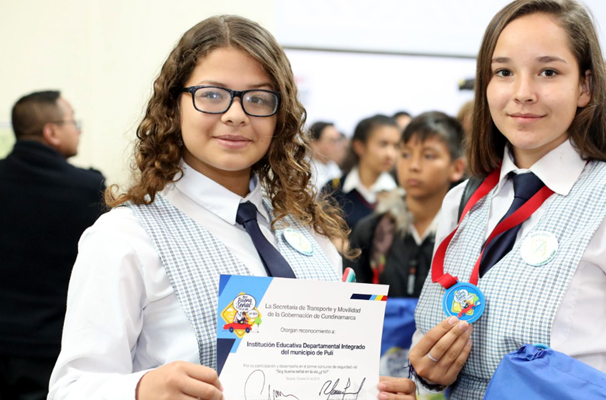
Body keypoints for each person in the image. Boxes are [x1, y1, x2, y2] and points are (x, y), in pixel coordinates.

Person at [47, 15, 414, 400]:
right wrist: (140, 390)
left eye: (258, 98)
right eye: (211, 94)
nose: (236, 114)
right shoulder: (125, 237)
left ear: (279, 115)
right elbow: (71, 388)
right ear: (175, 106)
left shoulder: (310, 231)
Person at [408, 1, 606, 399]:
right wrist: (427, 382)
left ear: (585, 87)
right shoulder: (461, 202)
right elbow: (426, 363)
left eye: (548, 72)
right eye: (504, 72)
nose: (523, 93)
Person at [0, 90, 105, 400]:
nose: (79, 129)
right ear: (52, 131)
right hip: (50, 349)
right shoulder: (88, 189)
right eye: (74, 121)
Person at [347, 111, 466, 297]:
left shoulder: (467, 232)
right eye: (405, 154)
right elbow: (353, 304)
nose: (413, 166)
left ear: (457, 168)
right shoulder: (372, 231)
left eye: (428, 156)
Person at [323, 114, 400, 230]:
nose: (390, 154)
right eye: (383, 144)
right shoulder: (333, 189)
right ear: (359, 146)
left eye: (396, 146)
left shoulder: (401, 194)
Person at [308, 121, 342, 192]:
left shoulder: (334, 168)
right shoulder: (304, 170)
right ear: (314, 143)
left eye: (338, 141)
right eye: (331, 140)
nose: (337, 146)